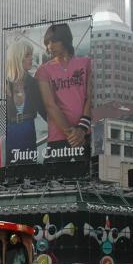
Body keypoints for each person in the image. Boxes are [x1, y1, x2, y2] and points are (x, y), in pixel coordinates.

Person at [36, 23, 93, 163]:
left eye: (54, 41)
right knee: (52, 183)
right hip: (57, 139)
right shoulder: (43, 71)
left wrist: (81, 129)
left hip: (85, 136)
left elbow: (91, 97)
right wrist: (72, 134)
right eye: (47, 43)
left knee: (89, 182)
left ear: (65, 39)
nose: (49, 46)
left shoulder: (86, 63)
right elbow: (50, 105)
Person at [5, 39, 46, 164]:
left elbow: (46, 113)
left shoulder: (33, 83)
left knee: (28, 172)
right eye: (28, 55)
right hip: (9, 135)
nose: (31, 58)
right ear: (18, 57)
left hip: (28, 133)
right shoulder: (4, 83)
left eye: (31, 54)